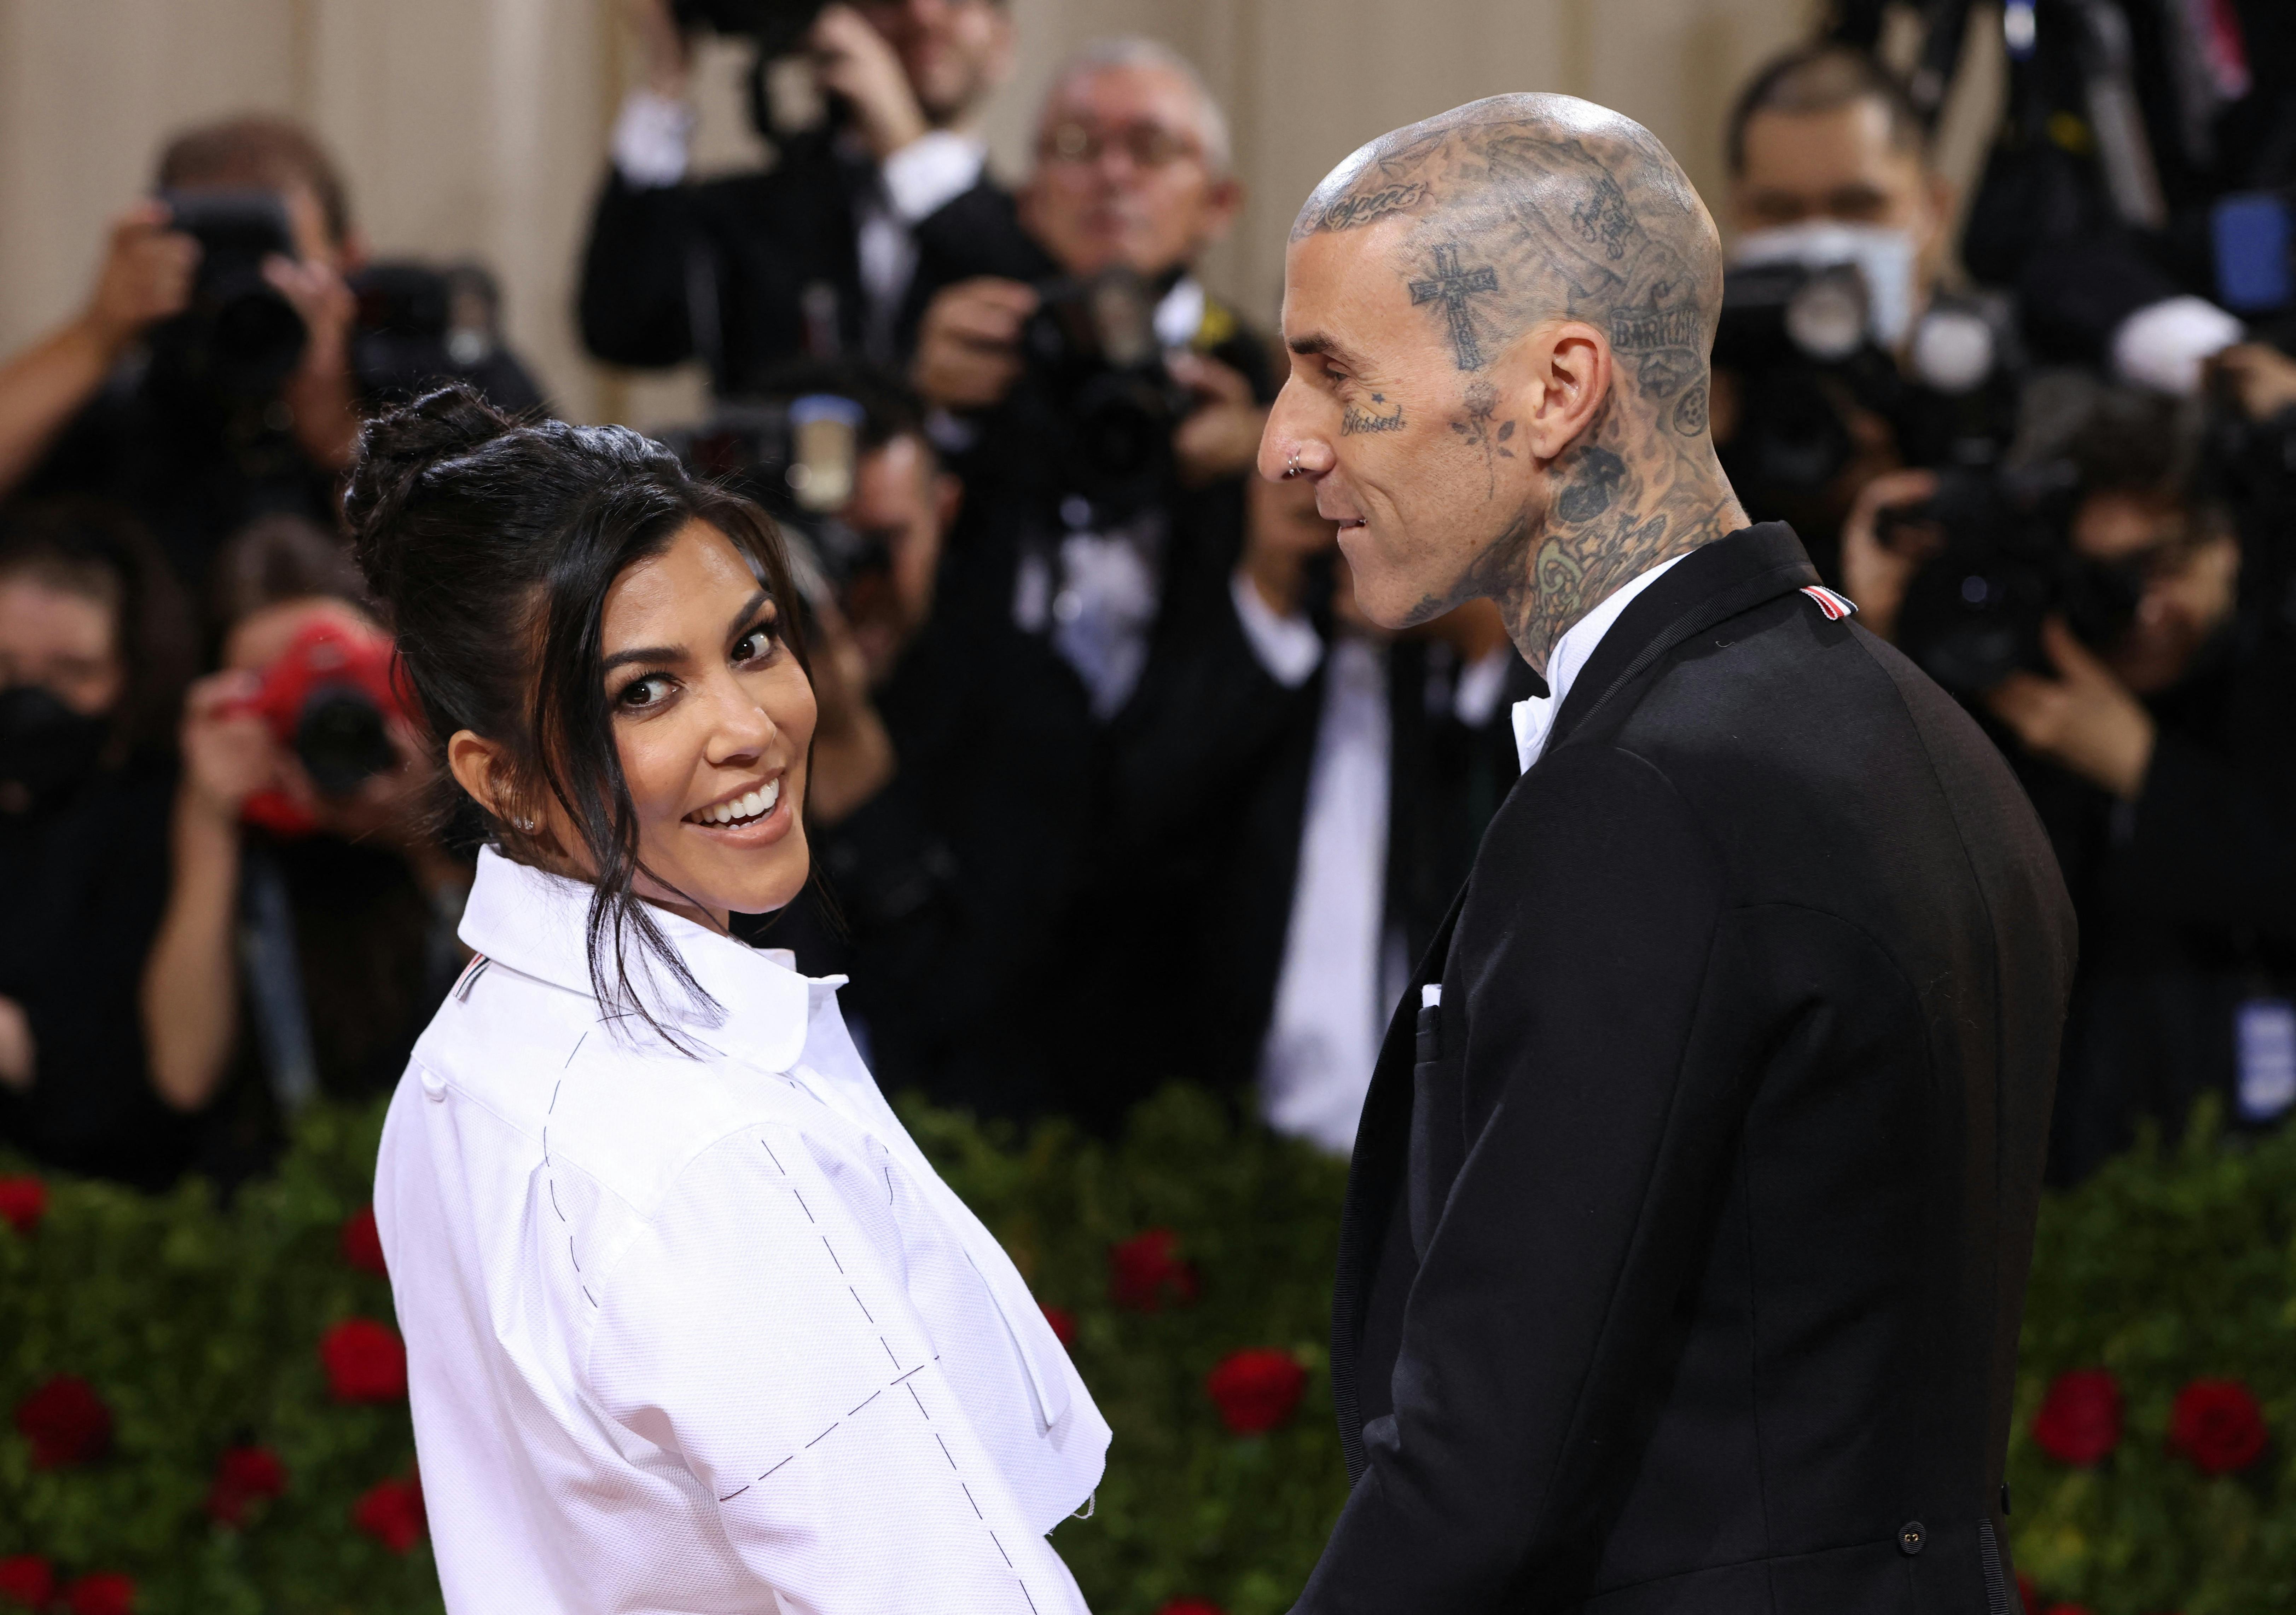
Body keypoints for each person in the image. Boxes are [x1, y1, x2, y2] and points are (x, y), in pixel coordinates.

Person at [1263, 94, 2075, 1609]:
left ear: (1556, 388)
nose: (1282, 446)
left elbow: (1486, 1469)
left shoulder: (1643, 794)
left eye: (1333, 375)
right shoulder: (1899, 720)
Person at [355, 384, 1106, 1613]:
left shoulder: (466, 1058)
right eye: (646, 691)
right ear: (501, 778)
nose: (750, 725)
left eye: (754, 642)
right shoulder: (705, 1153)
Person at [1844, 380, 2296, 1180]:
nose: (2147, 610)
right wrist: (1883, 657)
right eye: (2108, 582)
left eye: (2163, 563)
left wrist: (2135, 764)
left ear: (2225, 537)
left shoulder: (2273, 656)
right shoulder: (2003, 687)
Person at [0, 115, 540, 595]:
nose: (245, 293)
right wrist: (95, 335)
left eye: (276, 261)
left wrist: (342, 434)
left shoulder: (452, 386)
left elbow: (514, 597)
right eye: (213, 266)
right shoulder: (123, 411)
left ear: (349, 260)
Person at [140, 515, 470, 1178]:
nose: (319, 718)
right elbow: (184, 1074)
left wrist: (427, 833)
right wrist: (206, 825)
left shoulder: (490, 791)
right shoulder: (217, 835)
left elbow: (549, 1028)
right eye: (274, 691)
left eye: (337, 676)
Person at [580, 0, 1016, 386]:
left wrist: (901, 140)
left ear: (1003, 45)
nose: (921, 12)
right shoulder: (753, 213)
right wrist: (666, 76)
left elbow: (1032, 324)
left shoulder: (1032, 222)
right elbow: (623, 330)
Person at [0, 500, 200, 1189]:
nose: (31, 702)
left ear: (129, 671)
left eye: (72, 673)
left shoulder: (163, 817)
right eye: (5, 670)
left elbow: (135, 1079)